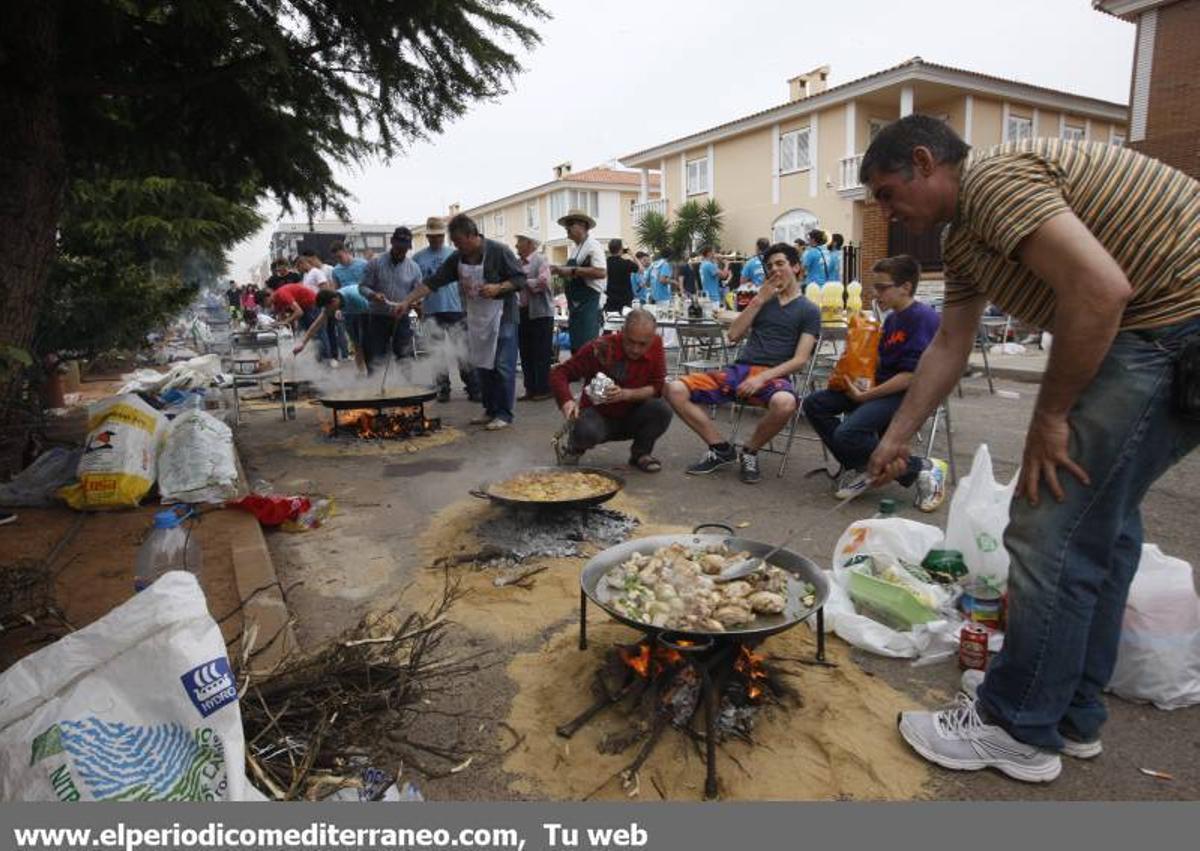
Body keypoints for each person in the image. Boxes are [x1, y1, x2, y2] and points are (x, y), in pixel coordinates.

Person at [859, 114, 1200, 782]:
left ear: (925, 162)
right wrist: (895, 437)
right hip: (1161, 329)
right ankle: (1068, 712)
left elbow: (1100, 291)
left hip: (1174, 327)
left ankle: (1017, 726)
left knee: (1048, 525)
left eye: (888, 191)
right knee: (1104, 525)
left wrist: (1052, 415)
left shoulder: (993, 180)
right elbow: (950, 345)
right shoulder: (966, 239)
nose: (887, 210)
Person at [665, 243, 820, 484]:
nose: (775, 270)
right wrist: (758, 301)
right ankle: (720, 448)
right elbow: (733, 335)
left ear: (796, 267)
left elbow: (800, 360)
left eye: (780, 264)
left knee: (786, 403)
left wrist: (762, 378)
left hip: (774, 377)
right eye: (770, 266)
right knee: (674, 389)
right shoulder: (762, 301)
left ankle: (750, 450)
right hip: (741, 370)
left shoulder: (809, 310)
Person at [801, 254, 946, 510]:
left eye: (881, 287)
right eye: (874, 287)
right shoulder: (892, 318)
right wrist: (852, 367)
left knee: (848, 433)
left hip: (907, 394)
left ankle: (923, 469)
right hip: (880, 387)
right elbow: (883, 361)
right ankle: (861, 466)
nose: (876, 294)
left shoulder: (922, 318)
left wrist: (867, 395)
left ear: (906, 288)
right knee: (815, 404)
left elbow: (911, 376)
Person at [393, 214, 527, 430]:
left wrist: (499, 288)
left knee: (502, 365)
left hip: (503, 316)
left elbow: (520, 279)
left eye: (458, 242)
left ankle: (504, 413)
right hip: (477, 317)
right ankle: (490, 409)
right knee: (483, 365)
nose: (456, 246)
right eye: (454, 243)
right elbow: (433, 282)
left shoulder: (498, 251)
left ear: (472, 235)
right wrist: (407, 301)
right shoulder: (457, 258)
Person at [550, 310, 673, 472]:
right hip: (597, 416)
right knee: (586, 430)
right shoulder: (600, 347)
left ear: (652, 338)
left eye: (643, 344)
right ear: (622, 332)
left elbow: (657, 387)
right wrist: (567, 401)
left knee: (662, 410)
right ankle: (574, 448)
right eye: (631, 342)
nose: (636, 349)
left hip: (633, 414)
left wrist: (626, 394)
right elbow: (559, 373)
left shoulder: (656, 345)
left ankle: (641, 453)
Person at [411, 217, 480, 403]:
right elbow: (416, 285)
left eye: (440, 236)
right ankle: (443, 389)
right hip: (431, 310)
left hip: (456, 308)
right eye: (433, 236)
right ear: (427, 237)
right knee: (437, 352)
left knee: (463, 350)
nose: (436, 239)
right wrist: (416, 305)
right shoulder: (418, 258)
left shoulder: (455, 254)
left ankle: (473, 388)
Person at [359, 226, 422, 372]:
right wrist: (373, 295)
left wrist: (416, 303)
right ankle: (375, 386)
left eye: (405, 248)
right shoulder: (375, 263)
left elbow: (418, 293)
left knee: (404, 355)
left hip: (403, 318)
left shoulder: (414, 268)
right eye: (399, 247)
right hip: (378, 317)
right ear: (392, 242)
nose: (401, 251)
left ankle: (405, 387)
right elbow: (362, 287)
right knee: (376, 355)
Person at [550, 209, 607, 352]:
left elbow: (601, 272)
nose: (566, 228)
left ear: (582, 225)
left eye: (570, 224)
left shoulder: (593, 245)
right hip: (577, 307)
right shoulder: (577, 248)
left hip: (589, 305)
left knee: (586, 350)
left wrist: (572, 271)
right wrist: (560, 270)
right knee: (577, 348)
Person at [515, 231, 554, 401]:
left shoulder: (541, 259)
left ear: (529, 244)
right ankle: (530, 388)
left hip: (541, 313)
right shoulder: (517, 263)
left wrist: (524, 282)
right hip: (523, 311)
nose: (516, 245)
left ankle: (543, 389)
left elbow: (543, 282)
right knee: (526, 352)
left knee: (541, 352)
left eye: (520, 241)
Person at [292, 287, 369, 372]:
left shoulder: (356, 297)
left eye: (328, 307)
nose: (328, 310)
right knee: (357, 343)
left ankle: (373, 371)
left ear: (334, 300)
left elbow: (373, 310)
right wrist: (303, 343)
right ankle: (362, 373)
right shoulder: (330, 304)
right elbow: (317, 324)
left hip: (368, 310)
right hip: (351, 313)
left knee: (368, 343)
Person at [604, 239, 640, 313]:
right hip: (625, 298)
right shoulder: (626, 263)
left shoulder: (605, 263)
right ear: (621, 249)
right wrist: (632, 254)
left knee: (611, 320)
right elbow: (641, 269)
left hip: (610, 297)